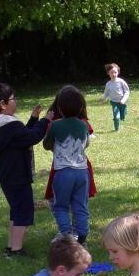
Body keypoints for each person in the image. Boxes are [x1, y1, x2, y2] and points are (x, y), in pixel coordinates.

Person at [0, 82, 49, 258]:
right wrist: (45, 121)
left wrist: (34, 119)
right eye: (13, 99)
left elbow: (22, 138)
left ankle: (11, 246)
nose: (16, 101)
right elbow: (33, 136)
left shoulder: (2, 124)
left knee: (16, 209)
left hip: (7, 175)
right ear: (3, 104)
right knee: (24, 210)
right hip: (16, 176)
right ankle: (16, 250)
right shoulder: (11, 126)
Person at [43, 85, 92, 244]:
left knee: (61, 206)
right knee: (80, 206)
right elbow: (86, 144)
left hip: (63, 172)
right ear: (81, 107)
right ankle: (82, 236)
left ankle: (67, 234)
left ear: (60, 108)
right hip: (82, 172)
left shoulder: (55, 125)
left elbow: (47, 144)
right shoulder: (84, 125)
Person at [103, 62, 131, 131]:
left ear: (118, 72)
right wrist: (102, 98)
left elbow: (127, 91)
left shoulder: (121, 82)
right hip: (114, 102)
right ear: (108, 73)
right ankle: (116, 129)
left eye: (115, 72)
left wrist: (123, 100)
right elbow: (106, 93)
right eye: (111, 72)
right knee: (116, 116)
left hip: (122, 102)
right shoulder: (108, 84)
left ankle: (123, 114)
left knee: (122, 116)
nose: (113, 74)